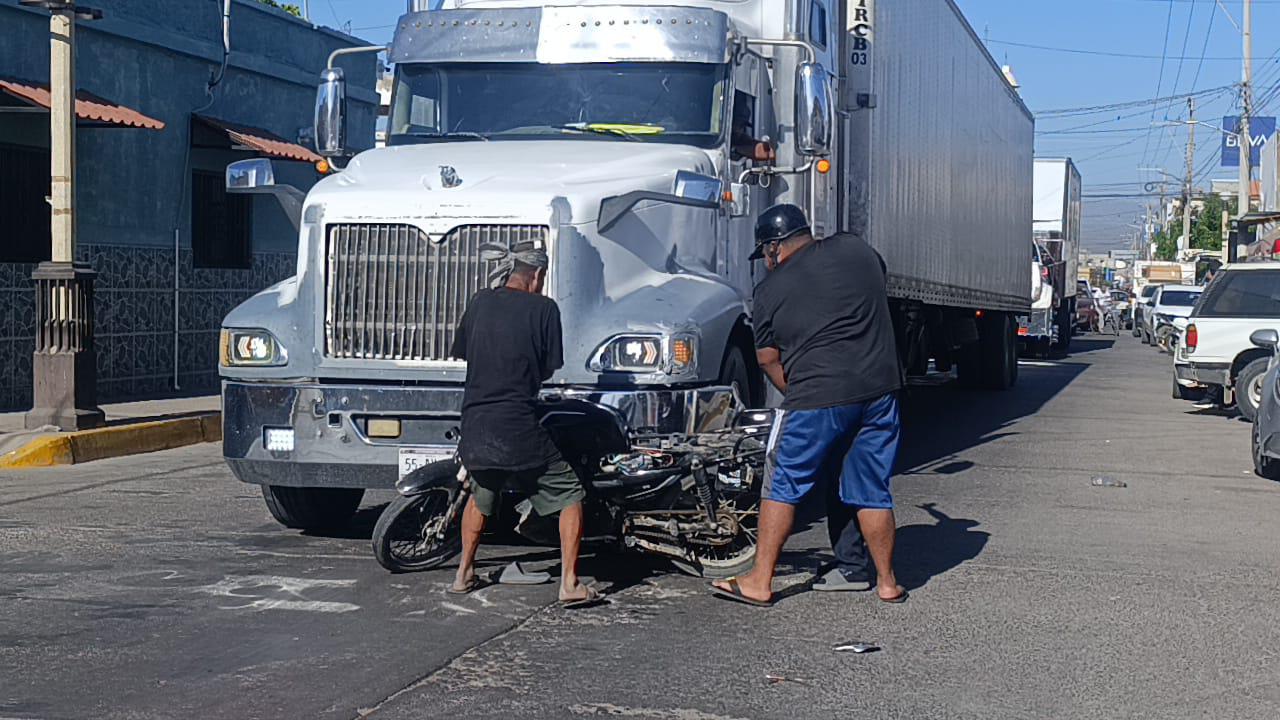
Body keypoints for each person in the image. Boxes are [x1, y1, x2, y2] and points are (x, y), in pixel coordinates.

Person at [711, 204, 906, 607]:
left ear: (773, 249)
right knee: (871, 487)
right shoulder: (856, 249)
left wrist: (799, 388)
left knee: (783, 482)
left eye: (766, 255)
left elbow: (767, 359)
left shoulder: (768, 292)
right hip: (879, 390)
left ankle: (759, 581)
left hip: (817, 395)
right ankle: (887, 582)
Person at [448, 240, 599, 606]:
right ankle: (569, 583)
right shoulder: (545, 309)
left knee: (481, 492)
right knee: (570, 493)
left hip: (475, 424)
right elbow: (549, 367)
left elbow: (467, 352)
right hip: (516, 426)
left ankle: (463, 573)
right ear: (536, 276)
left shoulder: (480, 301)